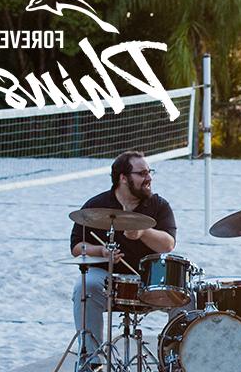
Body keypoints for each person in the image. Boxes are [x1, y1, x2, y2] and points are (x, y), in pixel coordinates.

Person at [70, 150, 177, 368]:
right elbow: (76, 246)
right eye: (142, 173)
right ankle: (92, 361)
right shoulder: (97, 205)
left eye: (149, 172)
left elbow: (168, 244)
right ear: (123, 178)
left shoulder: (159, 205)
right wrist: (100, 252)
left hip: (150, 278)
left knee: (185, 296)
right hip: (107, 277)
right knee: (85, 286)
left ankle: (176, 360)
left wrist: (142, 232)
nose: (149, 178)